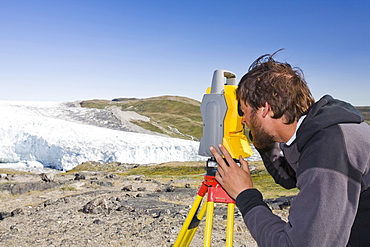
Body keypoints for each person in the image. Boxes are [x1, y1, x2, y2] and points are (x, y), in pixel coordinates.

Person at [209, 51, 370, 247]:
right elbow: (289, 177)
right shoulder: (320, 130)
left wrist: (245, 194)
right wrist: (262, 138)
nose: (243, 120)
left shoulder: (328, 148)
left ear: (264, 109)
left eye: (244, 111)